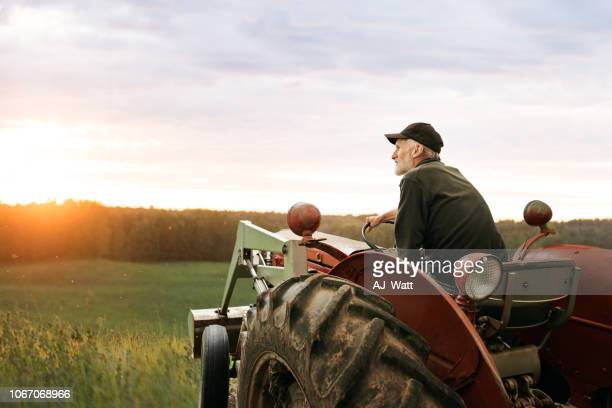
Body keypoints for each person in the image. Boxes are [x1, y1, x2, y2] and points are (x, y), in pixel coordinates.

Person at [366, 122, 506, 290]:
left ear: (416, 150)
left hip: (455, 280)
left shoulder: (414, 178)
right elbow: (416, 210)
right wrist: (382, 218)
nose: (393, 155)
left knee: (377, 282)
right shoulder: (450, 173)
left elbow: (407, 249)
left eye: (398, 148)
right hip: (494, 272)